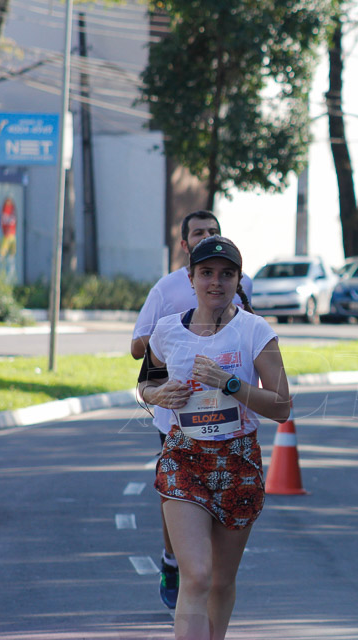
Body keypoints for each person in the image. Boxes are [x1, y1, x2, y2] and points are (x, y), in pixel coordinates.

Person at [138, 235, 290, 640]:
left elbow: (282, 406)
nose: (216, 282)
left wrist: (232, 385)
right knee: (198, 575)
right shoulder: (168, 331)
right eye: (206, 273)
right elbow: (143, 383)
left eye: (226, 274)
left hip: (237, 461)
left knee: (221, 581)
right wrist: (156, 396)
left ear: (238, 280)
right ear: (191, 278)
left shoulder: (255, 331)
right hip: (183, 456)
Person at [131, 210, 253, 609]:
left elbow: (254, 337)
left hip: (232, 434)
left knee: (218, 564)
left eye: (214, 232)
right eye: (199, 233)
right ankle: (174, 563)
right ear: (185, 248)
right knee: (178, 500)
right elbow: (140, 355)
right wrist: (176, 336)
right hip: (178, 423)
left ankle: (205, 589)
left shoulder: (240, 286)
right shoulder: (166, 291)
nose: (215, 281)